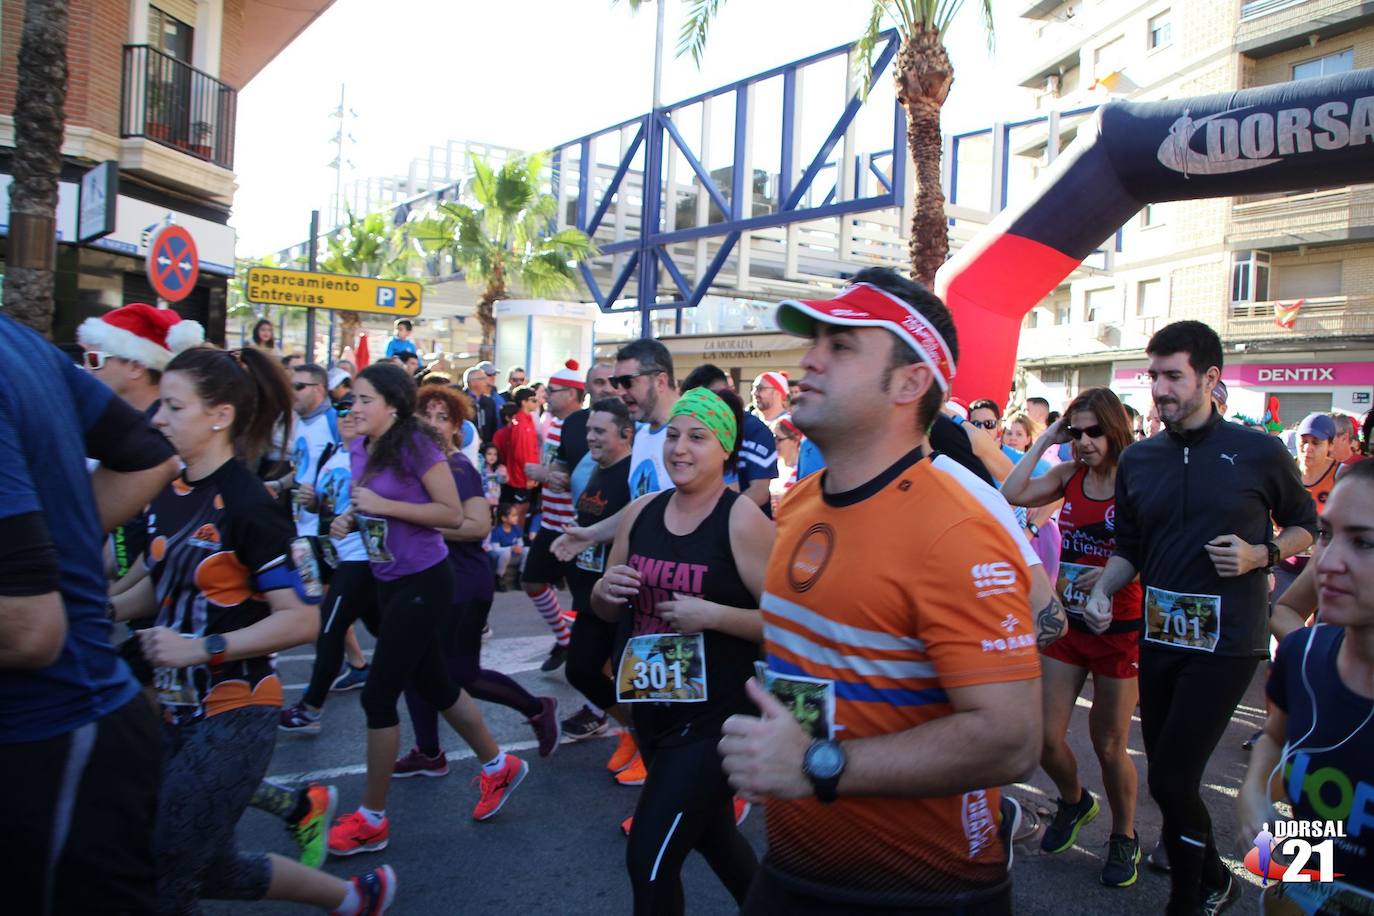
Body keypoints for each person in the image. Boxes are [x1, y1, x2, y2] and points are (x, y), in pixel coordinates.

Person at [718, 268, 1042, 914]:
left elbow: (1012, 741)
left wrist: (820, 765)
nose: (808, 359)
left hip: (921, 890)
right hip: (791, 866)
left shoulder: (957, 531)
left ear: (910, 381)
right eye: (815, 341)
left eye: (839, 346)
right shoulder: (802, 502)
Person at [108, 345, 394, 914]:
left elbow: (303, 618)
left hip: (235, 714)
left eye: (172, 406)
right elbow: (165, 583)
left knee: (160, 871)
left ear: (219, 415)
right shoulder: (169, 489)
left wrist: (202, 646)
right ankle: (354, 898)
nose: (158, 418)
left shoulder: (251, 505)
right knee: (212, 867)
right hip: (171, 710)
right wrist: (95, 609)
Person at [1084, 320, 1318, 915]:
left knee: (1174, 777)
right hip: (1161, 634)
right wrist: (1104, 590)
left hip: (1231, 643)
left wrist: (1260, 553)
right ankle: (1216, 876)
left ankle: (1188, 899)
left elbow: (1304, 526)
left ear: (1209, 378)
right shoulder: (1140, 459)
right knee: (1166, 772)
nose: (1159, 388)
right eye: (1153, 375)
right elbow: (1130, 546)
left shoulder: (1258, 451)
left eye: (1172, 376)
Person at [2, 314, 181, 916]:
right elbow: (153, 458)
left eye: (99, 359)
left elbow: (31, 628)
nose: (90, 367)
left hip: (51, 731)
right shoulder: (21, 343)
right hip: (91, 713)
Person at [327, 364, 527, 857]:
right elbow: (373, 500)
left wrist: (384, 507)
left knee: (378, 696)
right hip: (388, 580)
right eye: (352, 399)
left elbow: (451, 515)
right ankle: (498, 765)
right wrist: (351, 515)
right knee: (435, 683)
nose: (354, 408)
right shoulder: (363, 444)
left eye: (364, 400)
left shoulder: (416, 443)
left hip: (425, 581)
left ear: (392, 405)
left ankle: (372, 819)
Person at [591, 386, 774, 914]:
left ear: (725, 449)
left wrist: (713, 615)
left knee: (648, 860)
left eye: (697, 437)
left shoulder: (741, 520)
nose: (680, 449)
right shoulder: (642, 512)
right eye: (672, 436)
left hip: (716, 720)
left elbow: (789, 625)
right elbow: (607, 608)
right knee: (714, 838)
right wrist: (605, 593)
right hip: (651, 712)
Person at [1001, 387, 1144, 887]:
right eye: (1076, 432)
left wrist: (1110, 577)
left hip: (1120, 631)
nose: (1084, 442)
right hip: (1069, 626)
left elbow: (1155, 546)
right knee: (1043, 737)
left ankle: (1125, 835)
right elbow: (1011, 495)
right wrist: (1044, 444)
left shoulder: (1136, 477)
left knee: (1109, 744)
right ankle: (1075, 801)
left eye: (1093, 432)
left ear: (1114, 429)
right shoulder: (1070, 476)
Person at [395, 386, 559, 775]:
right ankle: (429, 752)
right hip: (432, 581)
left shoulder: (456, 468)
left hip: (463, 583)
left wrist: (412, 521)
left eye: (443, 418)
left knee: (459, 675)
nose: (433, 425)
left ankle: (537, 708)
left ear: (456, 428)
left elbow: (476, 526)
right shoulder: (421, 466)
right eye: (426, 416)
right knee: (416, 667)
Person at [1238, 460, 1374, 913]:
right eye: (1329, 535)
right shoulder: (1303, 656)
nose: (1327, 563)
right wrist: (1256, 807)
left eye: (1364, 542)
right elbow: (1274, 739)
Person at [77, 303, 203, 584]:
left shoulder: (174, 436)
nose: (86, 368)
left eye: (95, 359)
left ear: (136, 366)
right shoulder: (125, 430)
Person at [278, 401, 377, 735]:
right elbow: (327, 504)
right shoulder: (330, 454)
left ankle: (310, 709)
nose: (348, 418)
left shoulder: (374, 458)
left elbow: (381, 507)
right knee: (382, 626)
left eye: (355, 412)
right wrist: (312, 501)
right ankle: (436, 673)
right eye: (342, 414)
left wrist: (351, 520)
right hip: (328, 552)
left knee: (331, 628)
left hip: (360, 557)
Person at [561, 398, 636, 750]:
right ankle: (635, 733)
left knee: (628, 678)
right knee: (580, 669)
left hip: (619, 597)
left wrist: (588, 536)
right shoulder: (598, 468)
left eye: (599, 431)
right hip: (591, 596)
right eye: (589, 429)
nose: (589, 437)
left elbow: (632, 523)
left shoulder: (633, 473)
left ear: (625, 433)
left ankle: (645, 741)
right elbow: (592, 518)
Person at [521, 360, 590, 672]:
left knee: (584, 602)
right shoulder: (550, 423)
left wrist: (544, 472)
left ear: (573, 395)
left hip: (576, 527)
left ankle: (585, 661)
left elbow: (579, 475)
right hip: (550, 522)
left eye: (553, 390)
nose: (546, 395)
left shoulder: (585, 428)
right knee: (532, 581)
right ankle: (565, 639)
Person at [684, 364, 779, 515]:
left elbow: (759, 492)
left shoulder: (755, 430)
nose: (701, 410)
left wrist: (717, 517)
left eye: (706, 401)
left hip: (747, 528)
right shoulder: (697, 429)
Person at [492, 386, 541, 530]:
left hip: (524, 474)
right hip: (522, 476)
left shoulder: (526, 420)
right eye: (533, 400)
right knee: (519, 509)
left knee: (522, 508)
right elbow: (520, 453)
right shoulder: (520, 423)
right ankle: (514, 539)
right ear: (524, 402)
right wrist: (529, 476)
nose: (537, 403)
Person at [487, 503, 524, 588]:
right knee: (506, 552)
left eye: (517, 515)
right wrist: (511, 548)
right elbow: (495, 549)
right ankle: (500, 577)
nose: (517, 518)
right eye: (513, 515)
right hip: (503, 557)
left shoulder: (517, 528)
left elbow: (521, 543)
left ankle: (520, 576)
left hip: (515, 556)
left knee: (527, 550)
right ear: (504, 518)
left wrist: (520, 548)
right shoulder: (497, 531)